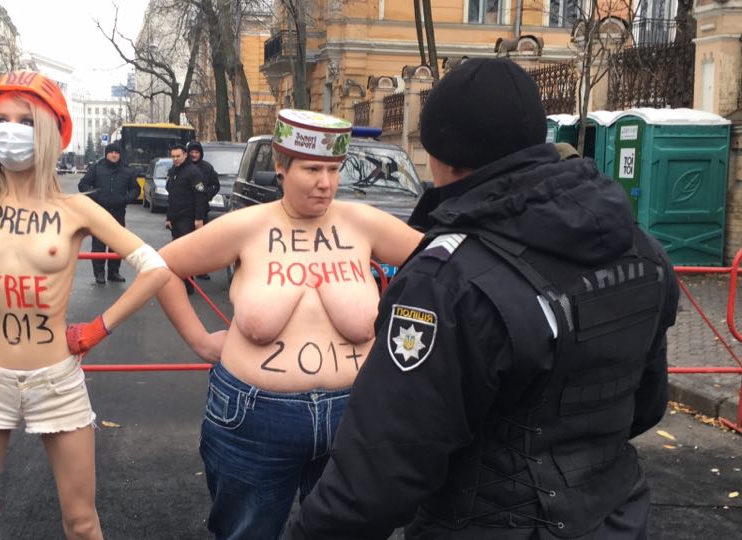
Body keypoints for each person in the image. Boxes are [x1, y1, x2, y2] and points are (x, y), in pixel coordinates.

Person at [289, 58, 679, 539]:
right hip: (617, 518)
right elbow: (645, 405)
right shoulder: (643, 249)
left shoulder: (447, 282)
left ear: (445, 155)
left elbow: (377, 475)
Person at [0, 1, 170, 538]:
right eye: (0, 120)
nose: (11, 130)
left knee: (82, 523)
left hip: (56, 379)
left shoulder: (78, 208)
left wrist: (98, 328)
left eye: (25, 121)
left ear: (48, 131)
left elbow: (155, 267)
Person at [157, 109, 424, 539]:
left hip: (355, 414)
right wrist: (199, 340)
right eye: (312, 169)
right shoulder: (247, 226)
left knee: (347, 533)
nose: (326, 183)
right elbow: (161, 268)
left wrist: (404, 346)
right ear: (281, 168)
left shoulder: (363, 223)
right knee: (246, 532)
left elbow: (442, 268)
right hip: (253, 418)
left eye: (334, 169)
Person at [78, 142, 140, 284]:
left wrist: (125, 199)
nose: (113, 155)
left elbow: (135, 189)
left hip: (118, 213)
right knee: (98, 245)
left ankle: (114, 272)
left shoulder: (127, 171)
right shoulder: (96, 168)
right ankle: (99, 274)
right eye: (111, 152)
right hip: (99, 213)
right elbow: (83, 185)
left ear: (120, 155)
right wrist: (96, 196)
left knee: (117, 245)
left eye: (116, 152)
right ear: (106, 154)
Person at [165, 143, 209, 295]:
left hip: (188, 217)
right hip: (175, 217)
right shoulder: (174, 171)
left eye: (178, 156)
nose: (175, 159)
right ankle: (180, 282)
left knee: (185, 252)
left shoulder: (193, 171)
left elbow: (200, 195)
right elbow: (172, 196)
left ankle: (188, 286)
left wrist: (199, 218)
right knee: (177, 252)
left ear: (185, 155)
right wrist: (169, 217)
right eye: (173, 156)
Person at [187, 140, 219, 281]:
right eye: (192, 152)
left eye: (197, 152)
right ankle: (186, 269)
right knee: (186, 241)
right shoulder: (183, 167)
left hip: (202, 209)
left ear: (200, 153)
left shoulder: (207, 168)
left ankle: (200, 269)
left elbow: (215, 185)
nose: (194, 155)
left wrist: (206, 195)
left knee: (202, 242)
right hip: (185, 210)